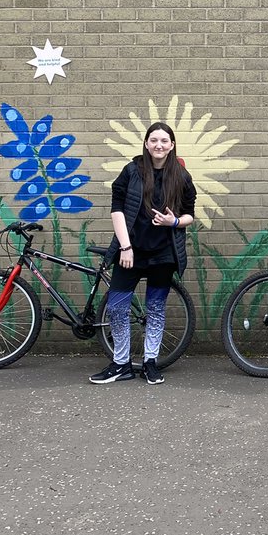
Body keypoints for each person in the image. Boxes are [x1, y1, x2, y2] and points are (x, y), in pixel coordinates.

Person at [90, 122, 196, 386]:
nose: (158, 145)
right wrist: (125, 247)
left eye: (164, 141)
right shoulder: (131, 171)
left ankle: (150, 362)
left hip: (163, 254)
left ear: (172, 145)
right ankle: (120, 364)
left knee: (156, 309)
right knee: (117, 307)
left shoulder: (181, 177)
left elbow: (189, 216)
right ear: (146, 143)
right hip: (131, 251)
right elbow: (116, 209)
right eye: (153, 140)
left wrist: (174, 222)